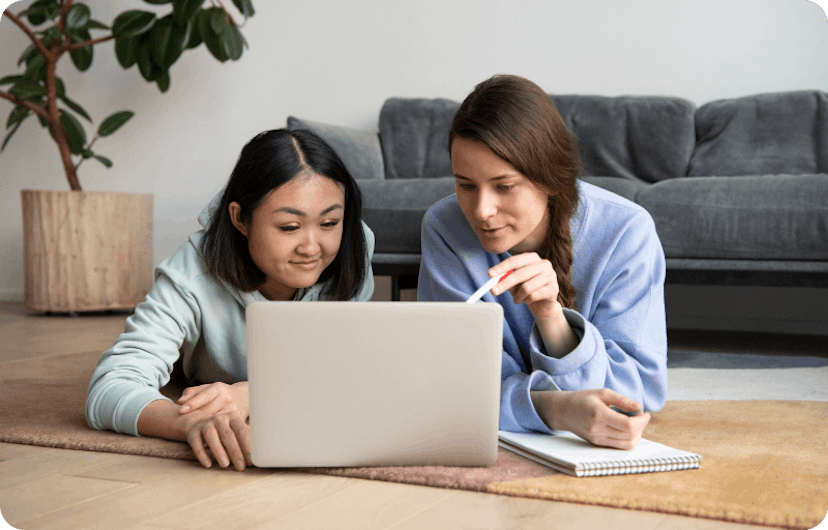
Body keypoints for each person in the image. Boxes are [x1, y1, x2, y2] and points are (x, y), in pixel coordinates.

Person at [86, 129, 375, 470]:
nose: (312, 247)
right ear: (240, 218)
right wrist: (189, 422)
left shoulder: (352, 247)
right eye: (289, 227)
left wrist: (250, 394)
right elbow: (109, 387)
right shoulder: (191, 272)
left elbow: (347, 370)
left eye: (329, 222)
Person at [417, 75, 667, 450]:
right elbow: (454, 384)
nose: (482, 211)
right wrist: (556, 409)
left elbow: (635, 391)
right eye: (466, 185)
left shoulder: (626, 232)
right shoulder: (444, 227)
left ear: (550, 179)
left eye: (504, 186)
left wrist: (550, 316)